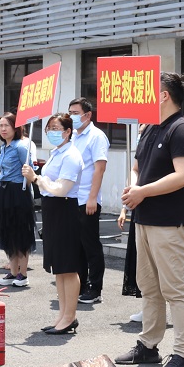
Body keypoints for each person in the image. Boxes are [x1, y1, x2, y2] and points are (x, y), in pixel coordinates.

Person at [116, 72, 184, 367]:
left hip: (169, 222)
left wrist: (143, 191)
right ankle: (148, 345)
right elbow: (137, 166)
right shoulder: (150, 127)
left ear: (164, 95)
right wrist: (133, 187)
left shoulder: (183, 129)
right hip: (144, 218)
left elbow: (183, 175)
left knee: (174, 289)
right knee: (149, 287)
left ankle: (183, 354)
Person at [23, 113, 84, 333]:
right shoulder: (56, 153)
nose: (51, 132)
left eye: (56, 128)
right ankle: (62, 315)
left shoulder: (71, 155)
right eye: (49, 128)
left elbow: (62, 189)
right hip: (52, 210)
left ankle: (70, 316)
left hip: (65, 209)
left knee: (68, 267)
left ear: (68, 132)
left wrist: (36, 179)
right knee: (59, 267)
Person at [68, 98, 109, 304]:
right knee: (76, 246)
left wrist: (93, 198)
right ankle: (80, 285)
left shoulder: (97, 136)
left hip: (87, 199)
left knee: (90, 245)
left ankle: (95, 288)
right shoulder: (73, 136)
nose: (72, 117)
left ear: (88, 115)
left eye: (76, 113)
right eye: (70, 113)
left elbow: (99, 169)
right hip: (72, 198)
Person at [0, 112, 37, 288]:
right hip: (4, 191)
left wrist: (24, 186)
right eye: (1, 125)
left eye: (7, 125)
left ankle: (23, 274)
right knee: (8, 232)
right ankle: (12, 272)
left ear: (15, 127)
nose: (3, 129)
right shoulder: (4, 147)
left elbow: (30, 172)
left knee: (21, 233)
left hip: (18, 192)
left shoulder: (21, 146)